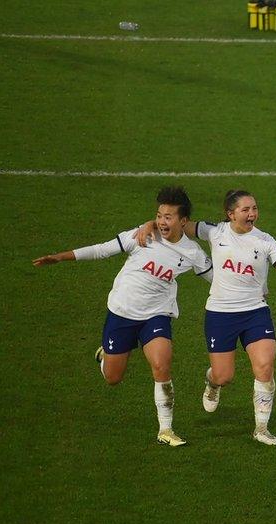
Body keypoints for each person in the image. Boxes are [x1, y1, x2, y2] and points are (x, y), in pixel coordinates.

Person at [137, 190, 276, 445]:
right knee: (224, 376)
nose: (252, 214)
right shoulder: (215, 231)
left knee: (265, 367)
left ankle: (261, 429)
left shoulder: (266, 240)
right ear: (230, 214)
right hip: (220, 314)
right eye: (246, 209)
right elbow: (177, 225)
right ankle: (212, 382)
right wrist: (150, 224)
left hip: (255, 312)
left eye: (255, 208)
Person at [32, 186, 213, 447]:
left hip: (156, 315)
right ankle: (105, 354)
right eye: (159, 215)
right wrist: (60, 257)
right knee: (113, 378)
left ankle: (166, 430)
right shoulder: (142, 235)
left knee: (162, 365)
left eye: (169, 217)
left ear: (183, 221)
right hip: (122, 313)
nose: (162, 221)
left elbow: (216, 279)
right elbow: (102, 249)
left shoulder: (193, 252)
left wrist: (249, 291)